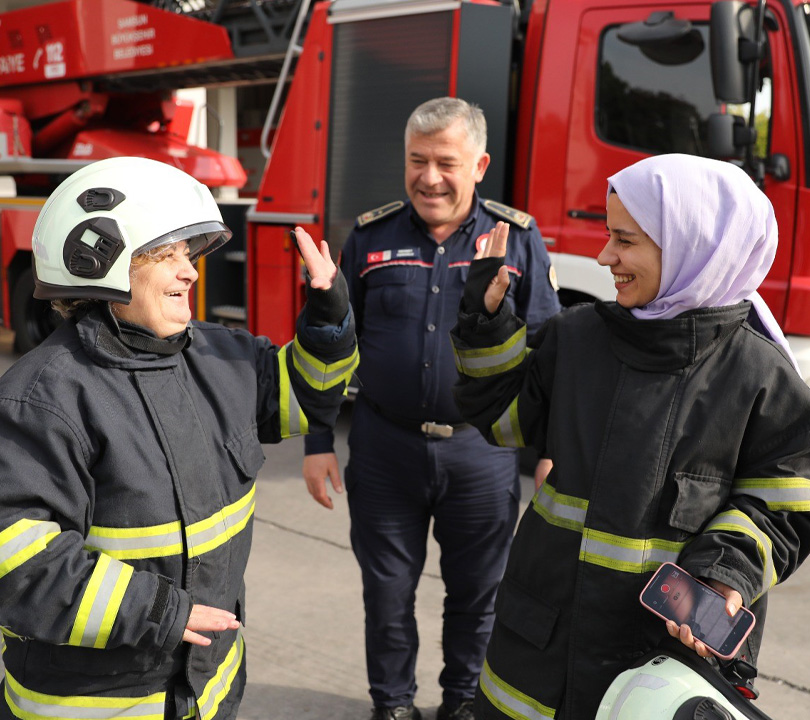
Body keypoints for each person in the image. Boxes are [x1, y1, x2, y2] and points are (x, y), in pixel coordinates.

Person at [450, 153, 810, 720]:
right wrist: (486, 326)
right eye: (607, 235)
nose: (604, 256)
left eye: (625, 240)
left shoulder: (760, 377)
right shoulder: (576, 338)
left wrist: (724, 575)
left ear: (692, 246)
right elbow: (504, 421)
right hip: (537, 657)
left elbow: (784, 508)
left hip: (660, 668)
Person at [0, 157, 357, 720]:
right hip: (92, 702)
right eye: (167, 256)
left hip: (205, 691)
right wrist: (159, 612)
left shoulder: (222, 358)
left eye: (188, 256)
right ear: (98, 260)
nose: (190, 273)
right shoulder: (42, 400)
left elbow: (306, 397)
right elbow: (17, 562)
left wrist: (329, 310)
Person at [302, 97, 561, 720]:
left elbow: (551, 356)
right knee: (387, 595)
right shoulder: (369, 236)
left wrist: (553, 449)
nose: (429, 177)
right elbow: (328, 339)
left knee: (478, 596)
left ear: (479, 165)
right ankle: (392, 705)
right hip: (384, 449)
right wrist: (315, 442)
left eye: (446, 162)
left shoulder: (518, 241)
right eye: (417, 160)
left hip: (482, 453)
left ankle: (463, 703)